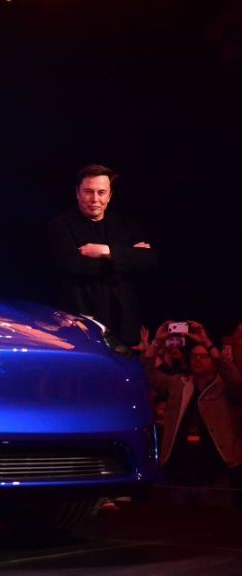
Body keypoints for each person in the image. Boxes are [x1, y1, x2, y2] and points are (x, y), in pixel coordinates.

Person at [46, 164, 158, 346]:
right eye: (88, 191)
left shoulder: (127, 225)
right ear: (77, 193)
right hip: (82, 322)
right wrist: (128, 258)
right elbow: (72, 265)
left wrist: (106, 251)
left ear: (110, 195)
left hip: (124, 325)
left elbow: (150, 261)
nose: (95, 199)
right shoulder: (60, 225)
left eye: (101, 192)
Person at [143, 320, 242, 489]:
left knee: (217, 514)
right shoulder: (179, 384)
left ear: (212, 360)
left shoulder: (223, 387)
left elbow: (235, 380)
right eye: (194, 356)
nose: (197, 360)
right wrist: (157, 342)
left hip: (217, 470)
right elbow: (146, 374)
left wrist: (207, 343)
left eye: (203, 356)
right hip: (178, 469)